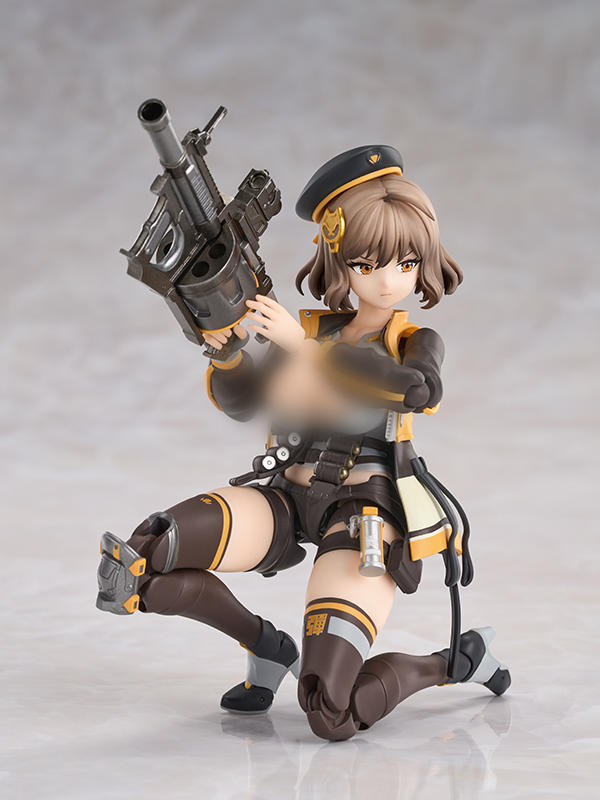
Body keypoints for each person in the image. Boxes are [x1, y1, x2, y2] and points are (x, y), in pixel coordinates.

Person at [97, 145, 510, 741]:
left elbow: (417, 390)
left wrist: (307, 351)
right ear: (339, 260)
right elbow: (244, 402)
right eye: (368, 263)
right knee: (147, 558)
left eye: (406, 262)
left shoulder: (410, 342)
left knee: (329, 710)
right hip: (284, 497)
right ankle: (266, 647)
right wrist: (228, 352)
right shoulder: (307, 327)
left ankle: (456, 661)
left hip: (363, 512)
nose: (388, 279)